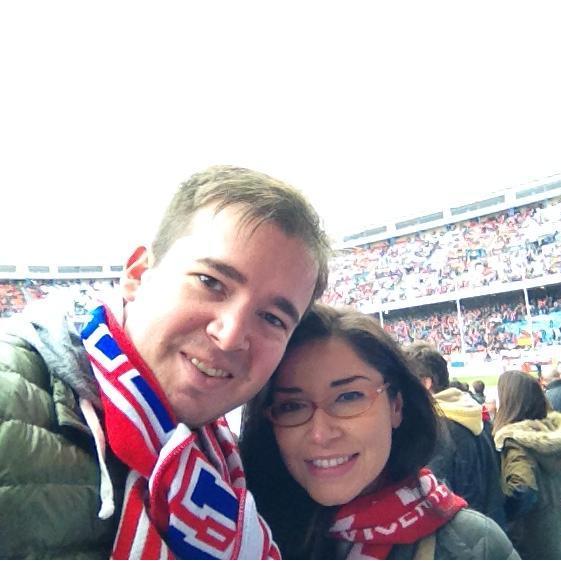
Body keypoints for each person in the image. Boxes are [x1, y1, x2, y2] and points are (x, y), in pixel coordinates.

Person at [0, 165, 331, 559]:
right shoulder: (12, 402)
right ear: (138, 275)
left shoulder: (227, 461)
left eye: (273, 319)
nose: (229, 335)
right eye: (210, 282)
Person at [240, 305, 518, 559]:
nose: (320, 434)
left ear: (396, 405)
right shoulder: (239, 533)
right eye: (291, 406)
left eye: (348, 397)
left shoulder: (474, 546)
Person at [403, 343, 506, 527]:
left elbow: (433, 502)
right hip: (488, 528)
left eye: (405, 381)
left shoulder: (436, 428)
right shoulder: (471, 413)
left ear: (426, 383)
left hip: (465, 540)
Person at [493, 370, 561, 560]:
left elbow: (523, 490)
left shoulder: (516, 442)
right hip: (552, 537)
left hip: (530, 542)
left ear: (510, 402)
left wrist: (498, 513)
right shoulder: (552, 435)